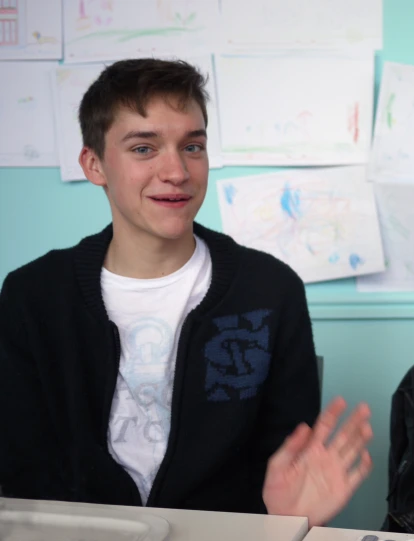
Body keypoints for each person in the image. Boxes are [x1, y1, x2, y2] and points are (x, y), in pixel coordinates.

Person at [0, 58, 372, 528]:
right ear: (94, 164)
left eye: (192, 146)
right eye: (143, 148)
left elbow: (285, 471)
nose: (176, 170)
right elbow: (20, 468)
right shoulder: (33, 294)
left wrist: (285, 519)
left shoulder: (270, 290)